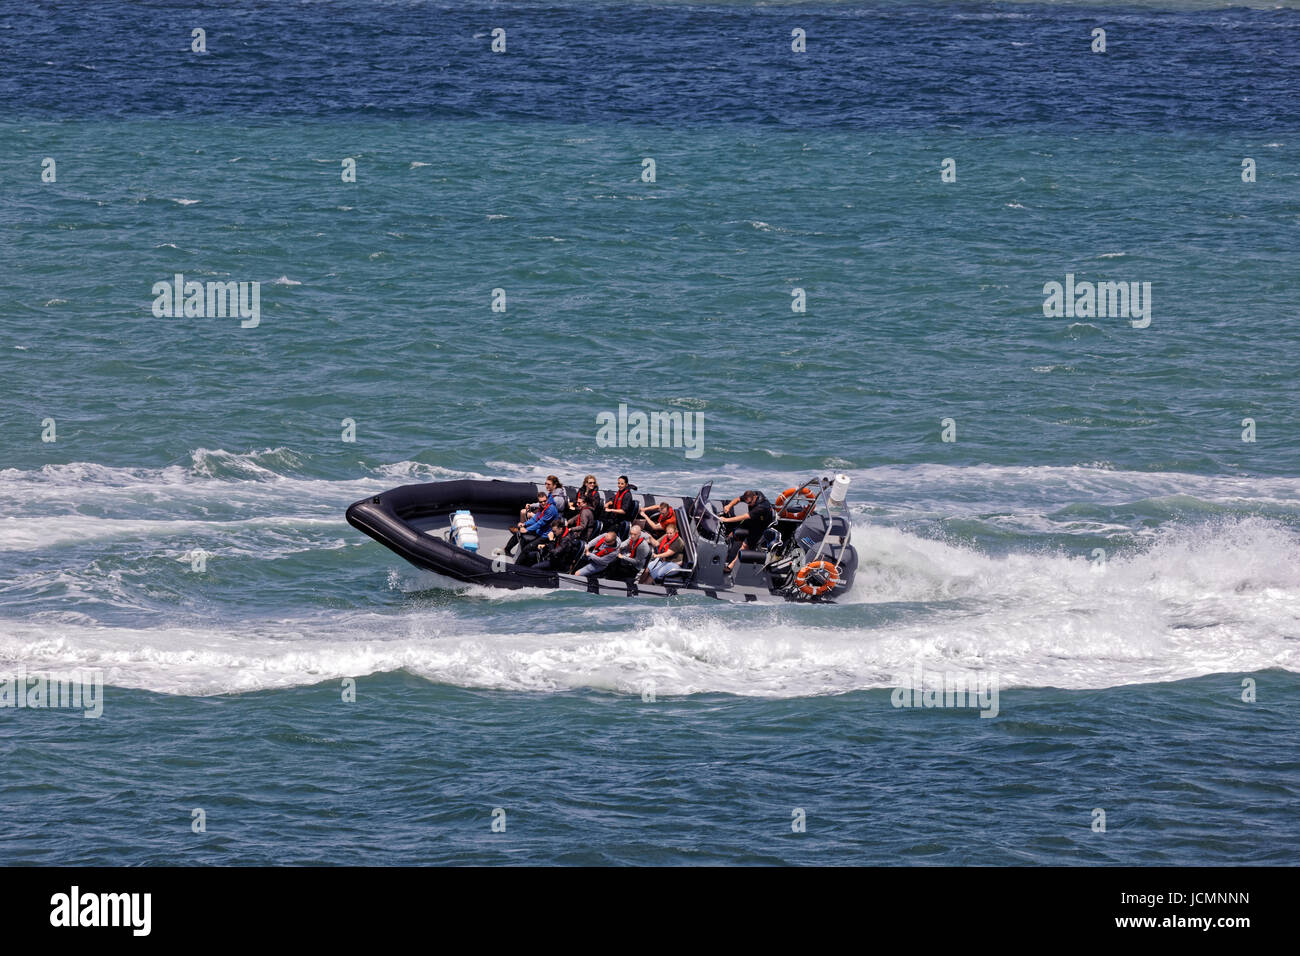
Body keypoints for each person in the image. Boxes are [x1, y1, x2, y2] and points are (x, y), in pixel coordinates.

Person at [505, 476, 566, 556]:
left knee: (526, 536)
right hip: (544, 522)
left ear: (554, 485)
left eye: (549, 484)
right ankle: (506, 550)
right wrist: (525, 524)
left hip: (548, 529)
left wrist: (527, 529)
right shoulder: (551, 495)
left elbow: (541, 521)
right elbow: (539, 514)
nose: (546, 486)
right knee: (520, 531)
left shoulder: (556, 500)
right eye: (545, 484)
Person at [720, 489, 775, 572]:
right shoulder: (752, 495)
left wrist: (726, 520)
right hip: (753, 519)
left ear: (755, 497)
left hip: (760, 525)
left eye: (749, 503)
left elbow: (745, 516)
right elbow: (738, 499)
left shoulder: (761, 507)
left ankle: (731, 566)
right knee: (733, 532)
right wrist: (729, 505)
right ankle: (728, 547)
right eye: (746, 503)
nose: (748, 504)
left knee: (745, 545)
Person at [566, 474, 602, 539]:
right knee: (568, 511)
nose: (592, 484)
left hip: (588, 514)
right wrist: (571, 504)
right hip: (579, 512)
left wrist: (576, 508)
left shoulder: (595, 494)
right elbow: (577, 500)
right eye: (590, 483)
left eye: (594, 483)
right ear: (586, 484)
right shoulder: (581, 491)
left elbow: (593, 508)